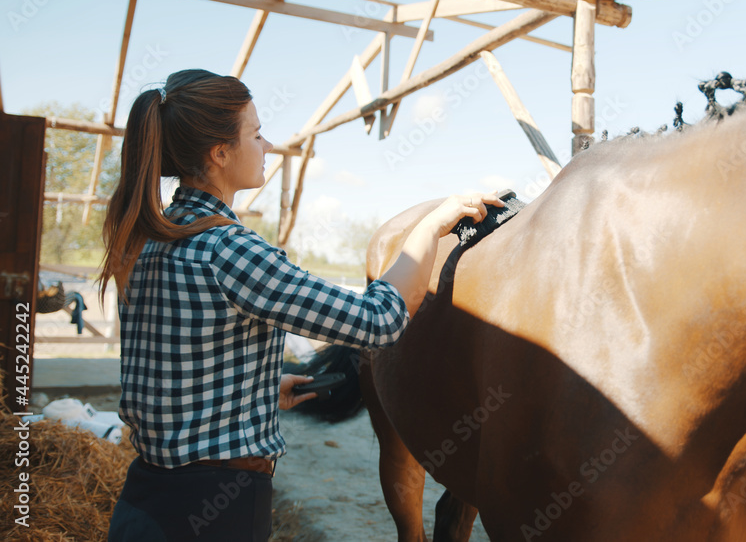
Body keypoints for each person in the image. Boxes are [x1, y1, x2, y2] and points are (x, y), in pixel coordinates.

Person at [98, 69, 502, 541]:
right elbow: (380, 319)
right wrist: (430, 226)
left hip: (146, 499)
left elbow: (168, 368)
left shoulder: (144, 242)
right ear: (220, 153)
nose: (267, 145)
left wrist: (261, 391)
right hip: (215, 510)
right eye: (257, 133)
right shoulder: (229, 250)